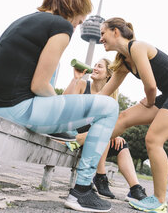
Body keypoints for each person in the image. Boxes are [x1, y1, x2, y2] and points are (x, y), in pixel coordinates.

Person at [0, 0, 119, 212]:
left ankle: (66, 136)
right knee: (109, 107)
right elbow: (39, 85)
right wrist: (60, 108)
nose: (82, 22)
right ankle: (83, 190)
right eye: (82, 16)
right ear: (75, 6)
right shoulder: (61, 26)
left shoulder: (24, 20)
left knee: (70, 123)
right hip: (17, 110)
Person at [98, 17, 168, 213]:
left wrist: (150, 101)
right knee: (123, 119)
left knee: (153, 139)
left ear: (116, 32)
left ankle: (159, 200)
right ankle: (80, 139)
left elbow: (151, 86)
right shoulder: (123, 62)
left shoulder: (137, 47)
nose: (101, 38)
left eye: (103, 33)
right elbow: (103, 95)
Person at [63, 58, 147, 202]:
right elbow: (63, 103)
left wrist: (116, 135)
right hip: (76, 133)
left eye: (99, 66)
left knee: (121, 144)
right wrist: (75, 79)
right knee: (104, 133)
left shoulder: (110, 97)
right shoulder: (83, 85)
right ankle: (100, 176)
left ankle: (135, 189)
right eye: (94, 65)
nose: (94, 68)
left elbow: (113, 124)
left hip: (93, 141)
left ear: (108, 74)